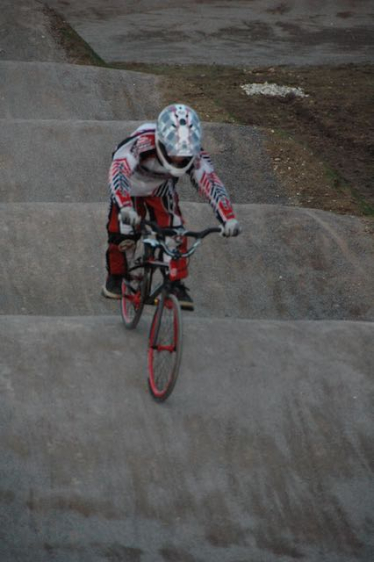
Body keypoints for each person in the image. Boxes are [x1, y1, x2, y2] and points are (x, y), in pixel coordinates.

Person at [102, 103, 241, 310]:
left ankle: (175, 283)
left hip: (161, 190)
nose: (179, 158)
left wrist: (228, 217)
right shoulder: (142, 142)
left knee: (175, 232)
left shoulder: (196, 155)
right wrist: (124, 207)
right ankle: (116, 276)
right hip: (129, 188)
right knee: (122, 235)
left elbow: (211, 183)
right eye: (173, 152)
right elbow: (118, 172)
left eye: (184, 154)